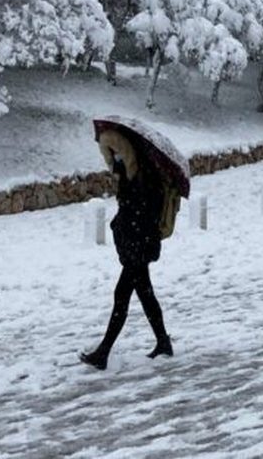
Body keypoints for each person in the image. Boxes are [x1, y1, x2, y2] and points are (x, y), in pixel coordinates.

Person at [80, 130, 174, 370]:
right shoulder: (131, 175)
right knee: (145, 293)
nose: (114, 160)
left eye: (116, 154)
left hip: (139, 245)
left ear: (125, 152)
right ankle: (163, 342)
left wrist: (126, 215)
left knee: (121, 296)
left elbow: (143, 212)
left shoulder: (146, 177)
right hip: (135, 244)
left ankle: (104, 352)